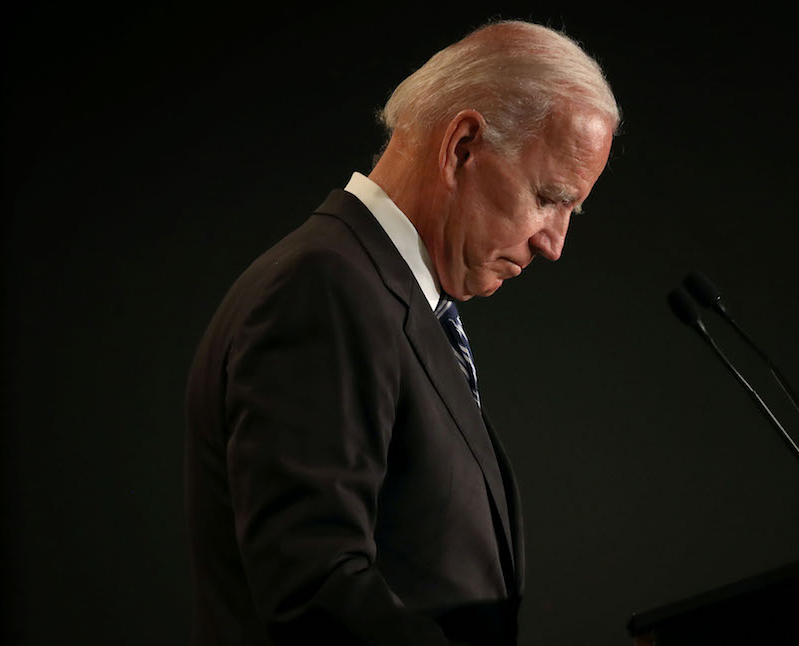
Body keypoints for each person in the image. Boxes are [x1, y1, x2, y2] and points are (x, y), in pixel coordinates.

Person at [185, 20, 619, 646]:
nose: (554, 244)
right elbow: (314, 587)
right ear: (462, 147)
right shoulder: (322, 288)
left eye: (571, 211)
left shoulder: (392, 298)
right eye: (550, 198)